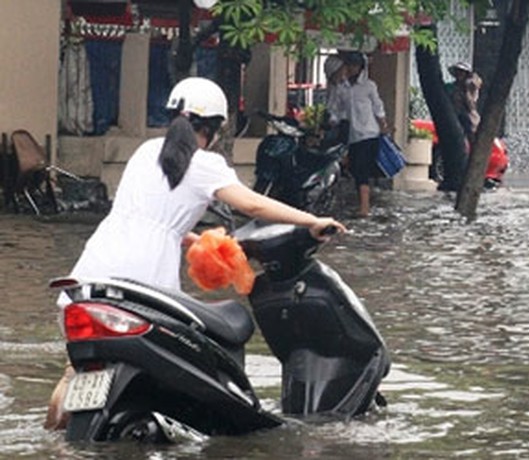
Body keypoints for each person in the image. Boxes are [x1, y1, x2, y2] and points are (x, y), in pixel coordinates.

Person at [44, 76, 346, 430]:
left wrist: (190, 239)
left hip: (96, 264)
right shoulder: (205, 164)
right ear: (216, 127)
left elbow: (153, 215)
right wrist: (312, 221)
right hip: (144, 273)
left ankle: (56, 442)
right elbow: (252, 205)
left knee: (77, 370)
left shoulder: (146, 152)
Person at [339, 52, 389, 217]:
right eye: (350, 65)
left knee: (362, 171)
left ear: (361, 68)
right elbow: (340, 112)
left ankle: (365, 208)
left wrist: (383, 126)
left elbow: (378, 108)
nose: (352, 69)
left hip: (369, 135)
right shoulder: (343, 88)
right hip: (353, 136)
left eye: (355, 65)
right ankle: (363, 204)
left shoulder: (369, 86)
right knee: (354, 169)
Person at [447, 61, 483, 145]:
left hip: (468, 115)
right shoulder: (450, 87)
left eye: (462, 72)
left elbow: (472, 102)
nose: (459, 74)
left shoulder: (470, 87)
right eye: (458, 72)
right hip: (453, 115)